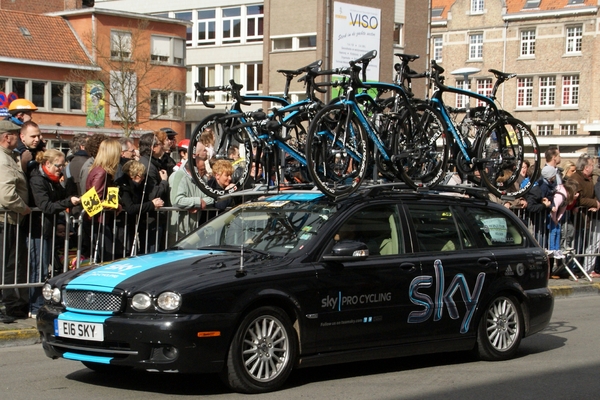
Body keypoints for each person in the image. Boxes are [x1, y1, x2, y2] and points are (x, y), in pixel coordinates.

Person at [28, 149, 80, 315]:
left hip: (49, 228)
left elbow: (57, 201)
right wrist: (68, 202)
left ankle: (43, 302)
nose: (61, 169)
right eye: (58, 166)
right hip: (38, 230)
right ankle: (35, 306)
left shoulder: (55, 180)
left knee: (48, 268)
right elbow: (46, 205)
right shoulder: (37, 179)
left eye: (63, 166)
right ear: (47, 164)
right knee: (39, 269)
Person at [0, 120, 31, 321]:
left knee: (9, 265)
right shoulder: (3, 160)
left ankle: (11, 304)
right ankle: (7, 305)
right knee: (5, 265)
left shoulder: (10, 157)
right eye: (15, 135)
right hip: (6, 219)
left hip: (10, 220)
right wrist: (24, 208)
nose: (17, 139)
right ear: (6, 137)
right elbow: (7, 195)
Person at [168, 144, 215, 245]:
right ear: (193, 169)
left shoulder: (202, 179)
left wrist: (197, 204)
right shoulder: (178, 176)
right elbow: (176, 200)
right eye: (202, 170)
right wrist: (197, 202)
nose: (204, 173)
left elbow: (211, 198)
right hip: (178, 231)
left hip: (194, 230)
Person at [115, 160, 164, 256]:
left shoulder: (137, 185)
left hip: (135, 223)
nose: (143, 179)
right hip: (124, 225)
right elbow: (131, 208)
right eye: (141, 176)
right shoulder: (124, 186)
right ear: (134, 176)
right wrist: (152, 204)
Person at [85, 139, 122, 262]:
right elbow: (95, 200)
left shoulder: (97, 169)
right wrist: (116, 206)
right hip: (99, 221)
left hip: (98, 221)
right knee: (104, 258)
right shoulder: (102, 172)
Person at [138, 131, 170, 252]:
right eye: (159, 144)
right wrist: (164, 181)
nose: (162, 146)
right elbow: (153, 194)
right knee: (151, 252)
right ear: (152, 148)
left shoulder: (151, 163)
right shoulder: (147, 166)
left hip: (154, 219)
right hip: (151, 219)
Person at [570, 154, 600, 273]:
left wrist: (596, 206)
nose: (593, 167)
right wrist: (595, 203)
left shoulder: (590, 178)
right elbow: (579, 199)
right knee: (577, 244)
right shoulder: (576, 178)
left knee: (586, 244)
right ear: (586, 167)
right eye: (591, 165)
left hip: (588, 218)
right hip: (578, 218)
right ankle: (573, 268)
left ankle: (584, 268)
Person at [64, 133, 90, 197]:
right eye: (90, 144)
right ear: (82, 147)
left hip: (72, 202)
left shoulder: (69, 164)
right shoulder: (87, 163)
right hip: (83, 202)